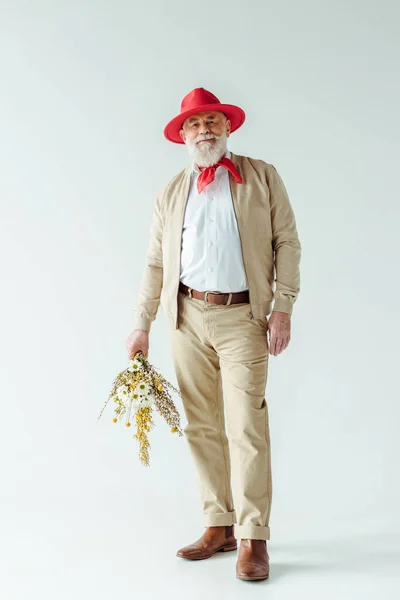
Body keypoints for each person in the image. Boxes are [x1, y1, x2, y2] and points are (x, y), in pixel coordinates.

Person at [126, 87, 302, 581]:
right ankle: (218, 524)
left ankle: (253, 536)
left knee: (245, 426)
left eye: (213, 122)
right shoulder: (170, 192)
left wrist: (282, 307)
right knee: (201, 426)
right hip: (185, 317)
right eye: (195, 124)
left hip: (244, 319)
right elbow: (156, 262)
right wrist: (141, 323)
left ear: (228, 128)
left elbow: (287, 241)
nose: (204, 130)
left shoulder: (262, 177)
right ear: (183, 135)